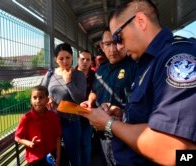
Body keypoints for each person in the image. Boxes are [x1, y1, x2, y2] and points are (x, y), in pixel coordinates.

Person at [81, 0, 196, 165]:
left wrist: (109, 124)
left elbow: (177, 152)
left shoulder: (176, 60)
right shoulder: (148, 62)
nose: (118, 46)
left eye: (118, 37)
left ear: (140, 21)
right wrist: (124, 115)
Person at [81, 27, 136, 166]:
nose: (113, 49)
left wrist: (122, 112)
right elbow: (94, 90)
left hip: (125, 135)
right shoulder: (101, 69)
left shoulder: (135, 66)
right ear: (102, 46)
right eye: (108, 44)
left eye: (117, 42)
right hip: (102, 134)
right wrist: (89, 102)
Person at [41, 43, 87, 166]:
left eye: (67, 57)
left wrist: (68, 82)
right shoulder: (50, 74)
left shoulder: (79, 75)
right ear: (55, 59)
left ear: (72, 57)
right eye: (61, 58)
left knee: (74, 156)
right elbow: (41, 92)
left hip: (71, 122)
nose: (65, 61)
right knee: (54, 157)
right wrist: (47, 98)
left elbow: (80, 98)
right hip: (52, 121)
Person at [14, 85, 61, 166]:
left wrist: (58, 157)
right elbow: (17, 137)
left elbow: (58, 137)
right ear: (31, 100)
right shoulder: (26, 118)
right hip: (34, 159)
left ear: (47, 99)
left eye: (41, 97)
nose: (38, 100)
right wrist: (29, 143)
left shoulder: (53, 117)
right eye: (34, 98)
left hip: (51, 156)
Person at [76, 50, 95, 166]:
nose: (85, 62)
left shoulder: (95, 76)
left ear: (91, 62)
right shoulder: (70, 74)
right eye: (82, 59)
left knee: (86, 143)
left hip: (88, 115)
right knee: (74, 145)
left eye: (88, 59)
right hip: (72, 115)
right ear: (77, 60)